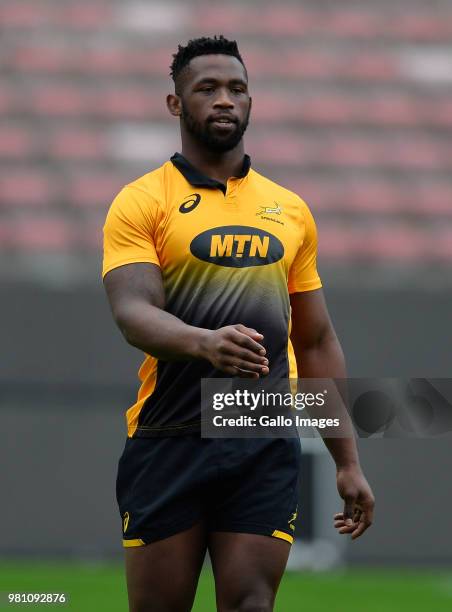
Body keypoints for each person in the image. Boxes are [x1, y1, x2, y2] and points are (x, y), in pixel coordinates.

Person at [102, 35, 375, 612]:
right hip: (169, 436)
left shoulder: (290, 209)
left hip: (261, 435)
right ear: (176, 105)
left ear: (251, 102)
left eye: (237, 89)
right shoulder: (141, 201)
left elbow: (316, 340)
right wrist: (204, 344)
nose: (224, 100)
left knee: (252, 603)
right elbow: (133, 312)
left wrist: (347, 461)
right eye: (207, 89)